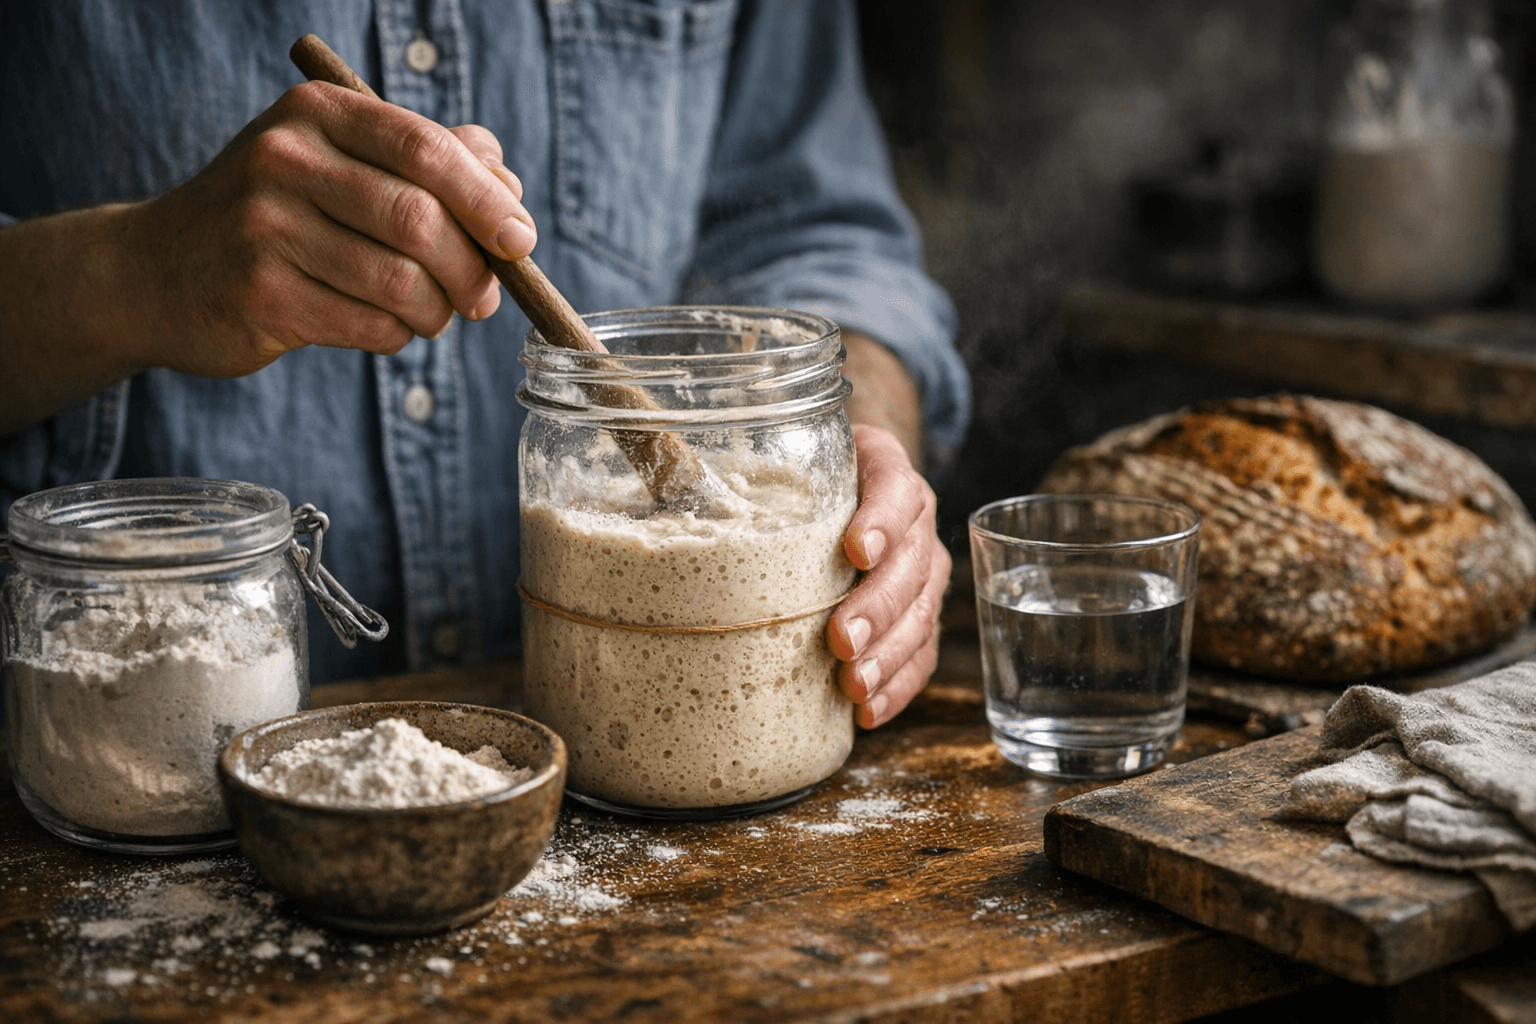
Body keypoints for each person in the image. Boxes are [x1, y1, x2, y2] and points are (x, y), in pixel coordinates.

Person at [0, 1, 970, 729]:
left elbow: (821, 230)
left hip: (644, 771)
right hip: (123, 761)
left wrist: (848, 436)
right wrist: (128, 273)